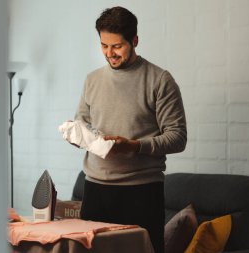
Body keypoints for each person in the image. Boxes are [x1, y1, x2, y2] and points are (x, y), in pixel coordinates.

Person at [75, 6, 187, 253]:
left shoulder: (160, 80)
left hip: (142, 192)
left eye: (117, 46)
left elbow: (177, 137)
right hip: (95, 189)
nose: (109, 53)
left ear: (134, 40)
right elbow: (82, 121)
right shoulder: (92, 80)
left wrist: (134, 146)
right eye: (104, 46)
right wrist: (78, 136)